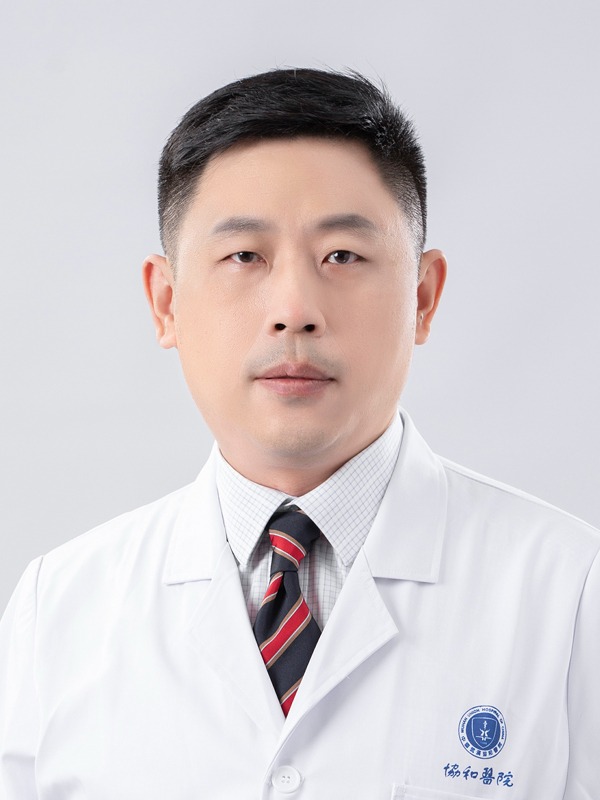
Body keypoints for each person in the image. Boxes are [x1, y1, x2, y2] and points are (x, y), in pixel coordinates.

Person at [0, 68, 598, 800]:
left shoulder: (572, 592)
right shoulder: (58, 610)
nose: (293, 309)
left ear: (422, 296)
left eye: (342, 255)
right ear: (166, 303)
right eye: (244, 256)